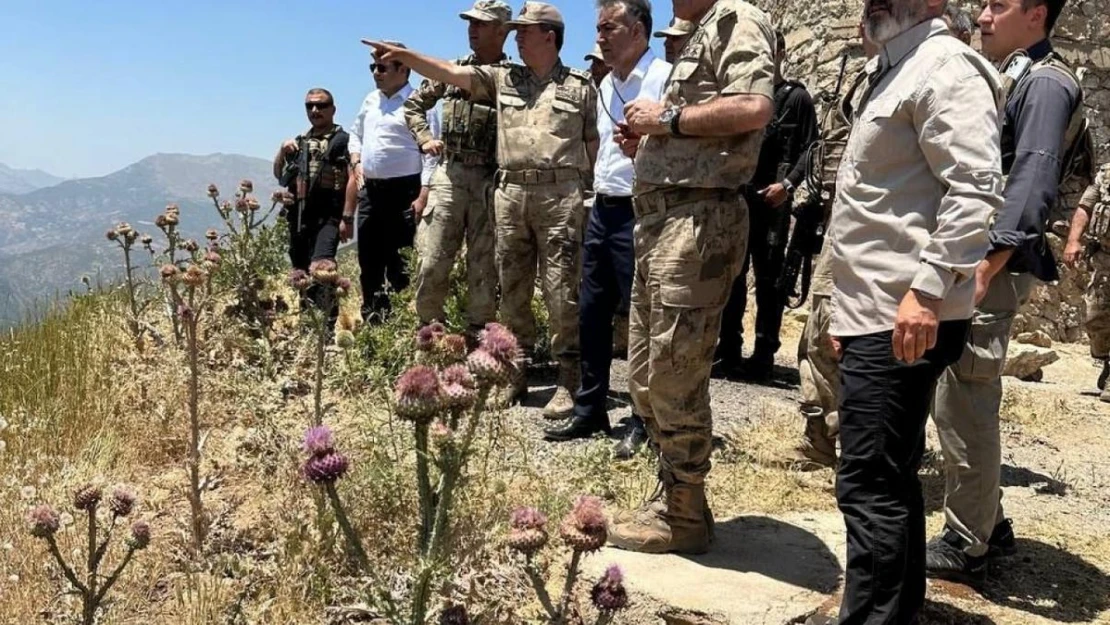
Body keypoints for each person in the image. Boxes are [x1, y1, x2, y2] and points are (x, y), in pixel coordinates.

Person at [821, 0, 1004, 620]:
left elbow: (976, 186)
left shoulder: (944, 66)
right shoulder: (897, 68)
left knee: (869, 481)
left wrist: (926, 291)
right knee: (888, 475)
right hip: (878, 312)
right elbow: (881, 206)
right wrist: (849, 314)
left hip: (905, 312)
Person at [366, 2, 599, 419]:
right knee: (511, 290)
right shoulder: (503, 78)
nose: (517, 35)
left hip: (558, 196)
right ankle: (515, 373)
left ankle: (568, 378)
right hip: (508, 193)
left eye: (524, 30)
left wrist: (589, 193)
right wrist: (406, 56)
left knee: (561, 289)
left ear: (549, 36)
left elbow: (594, 145)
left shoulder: (581, 87)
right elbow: (448, 74)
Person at [604, 0, 775, 555]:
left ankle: (685, 515)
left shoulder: (735, 20)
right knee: (647, 372)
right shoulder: (702, 31)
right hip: (664, 219)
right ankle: (676, 497)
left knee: (675, 371)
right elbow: (703, 126)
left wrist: (667, 122)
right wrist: (653, 142)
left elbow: (752, 107)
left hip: (698, 221)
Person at [927, 0, 1082, 586]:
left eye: (998, 4)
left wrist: (986, 267)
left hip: (989, 265)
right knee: (958, 391)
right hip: (979, 260)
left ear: (1037, 13)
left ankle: (969, 544)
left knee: (965, 396)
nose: (984, 16)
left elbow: (1032, 179)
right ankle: (989, 519)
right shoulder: (1018, 72)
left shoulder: (1043, 81)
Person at [543, 0, 670, 462]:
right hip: (603, 210)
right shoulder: (606, 83)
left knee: (639, 319)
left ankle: (641, 417)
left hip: (643, 211)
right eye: (597, 28)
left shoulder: (663, 78)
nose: (598, 37)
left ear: (637, 31)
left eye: (607, 28)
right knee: (592, 312)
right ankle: (591, 406)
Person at [715, 29, 818, 380]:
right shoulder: (740, 96)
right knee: (733, 277)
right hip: (739, 199)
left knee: (771, 282)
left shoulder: (796, 98)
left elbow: (810, 149)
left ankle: (763, 355)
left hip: (772, 202)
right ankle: (728, 350)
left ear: (780, 52)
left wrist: (787, 186)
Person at [404, 0, 510, 342]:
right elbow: (413, 104)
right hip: (450, 175)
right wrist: (424, 139)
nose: (472, 29)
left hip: (490, 181)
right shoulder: (450, 71)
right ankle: (429, 336)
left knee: (483, 266)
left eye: (480, 24)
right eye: (470, 23)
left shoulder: (514, 78)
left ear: (501, 30)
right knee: (433, 260)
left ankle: (479, 340)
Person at [342, 42, 440, 324]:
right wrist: (356, 160)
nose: (376, 72)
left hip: (405, 192)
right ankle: (373, 320)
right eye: (373, 67)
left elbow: (432, 154)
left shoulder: (420, 103)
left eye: (383, 67)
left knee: (400, 262)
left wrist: (423, 194)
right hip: (371, 191)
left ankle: (400, 324)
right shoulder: (371, 100)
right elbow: (355, 134)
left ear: (403, 69)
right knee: (369, 260)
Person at [274, 88, 350, 328]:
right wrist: (281, 151)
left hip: (329, 216)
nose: (315, 110)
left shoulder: (343, 141)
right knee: (301, 271)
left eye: (321, 105)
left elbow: (353, 179)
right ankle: (308, 326)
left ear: (333, 109)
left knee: (323, 268)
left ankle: (326, 330)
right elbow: (280, 176)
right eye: (310, 106)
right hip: (299, 216)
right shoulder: (300, 143)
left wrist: (347, 218)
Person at [1064, 162, 1110, 401]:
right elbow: (1085, 207)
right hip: (1105, 258)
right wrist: (1074, 240)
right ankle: (1105, 361)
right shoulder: (1106, 174)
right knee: (1094, 318)